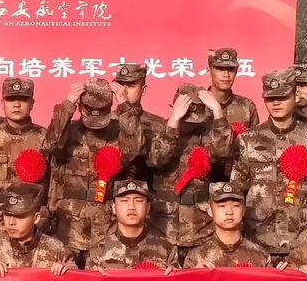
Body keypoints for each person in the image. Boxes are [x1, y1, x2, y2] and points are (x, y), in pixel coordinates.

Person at [227, 68, 307, 262]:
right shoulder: (248, 139)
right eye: (270, 98)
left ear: (295, 95)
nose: (276, 103)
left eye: (282, 97)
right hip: (256, 238)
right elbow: (237, 190)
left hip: (300, 239)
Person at [44, 78, 142, 264]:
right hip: (69, 222)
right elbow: (50, 145)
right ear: (81, 107)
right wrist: (67, 104)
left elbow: (133, 150)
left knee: (103, 274)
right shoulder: (69, 131)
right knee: (67, 274)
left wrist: (125, 107)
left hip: (105, 222)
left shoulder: (118, 132)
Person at [147, 83, 232, 260]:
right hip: (164, 224)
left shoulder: (207, 133)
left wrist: (217, 111)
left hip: (199, 224)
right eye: (185, 117)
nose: (188, 124)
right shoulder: (159, 129)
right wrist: (173, 121)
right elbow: (157, 159)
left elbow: (223, 151)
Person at [0, 77, 48, 252]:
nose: (17, 105)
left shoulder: (44, 139)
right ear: (2, 102)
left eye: (23, 100)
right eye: (11, 99)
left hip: (32, 223)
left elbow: (53, 185)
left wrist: (49, 218)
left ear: (32, 103)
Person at [182, 182, 271, 268]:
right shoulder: (195, 259)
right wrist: (197, 275)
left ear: (243, 210)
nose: (229, 212)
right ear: (210, 210)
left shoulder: (261, 257)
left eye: (235, 205)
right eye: (222, 206)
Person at [113, 62, 165, 183]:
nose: (124, 91)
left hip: (144, 191)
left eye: (131, 86)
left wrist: (125, 108)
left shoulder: (158, 124)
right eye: (120, 85)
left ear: (143, 89)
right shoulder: (107, 122)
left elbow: (135, 155)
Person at [206, 47, 259, 130]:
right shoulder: (197, 105)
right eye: (220, 69)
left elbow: (256, 138)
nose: (226, 74)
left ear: (236, 71)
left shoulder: (247, 107)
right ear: (209, 70)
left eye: (231, 69)